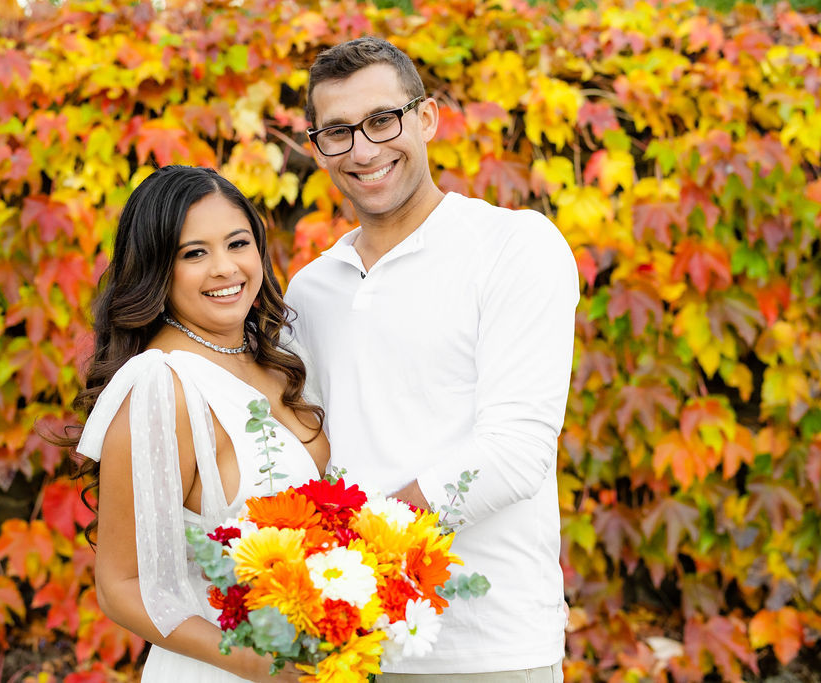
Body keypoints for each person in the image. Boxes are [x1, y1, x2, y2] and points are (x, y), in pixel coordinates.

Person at [284, 37, 578, 681]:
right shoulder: (311, 288)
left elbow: (514, 454)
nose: (363, 149)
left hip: (488, 647)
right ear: (317, 147)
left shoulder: (514, 246)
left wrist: (358, 552)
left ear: (427, 117)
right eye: (337, 131)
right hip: (346, 644)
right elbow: (302, 450)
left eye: (382, 119)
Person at [72, 165, 329, 682]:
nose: (224, 268)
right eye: (194, 254)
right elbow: (120, 585)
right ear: (157, 270)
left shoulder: (277, 357)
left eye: (238, 244)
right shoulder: (161, 385)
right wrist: (256, 662)